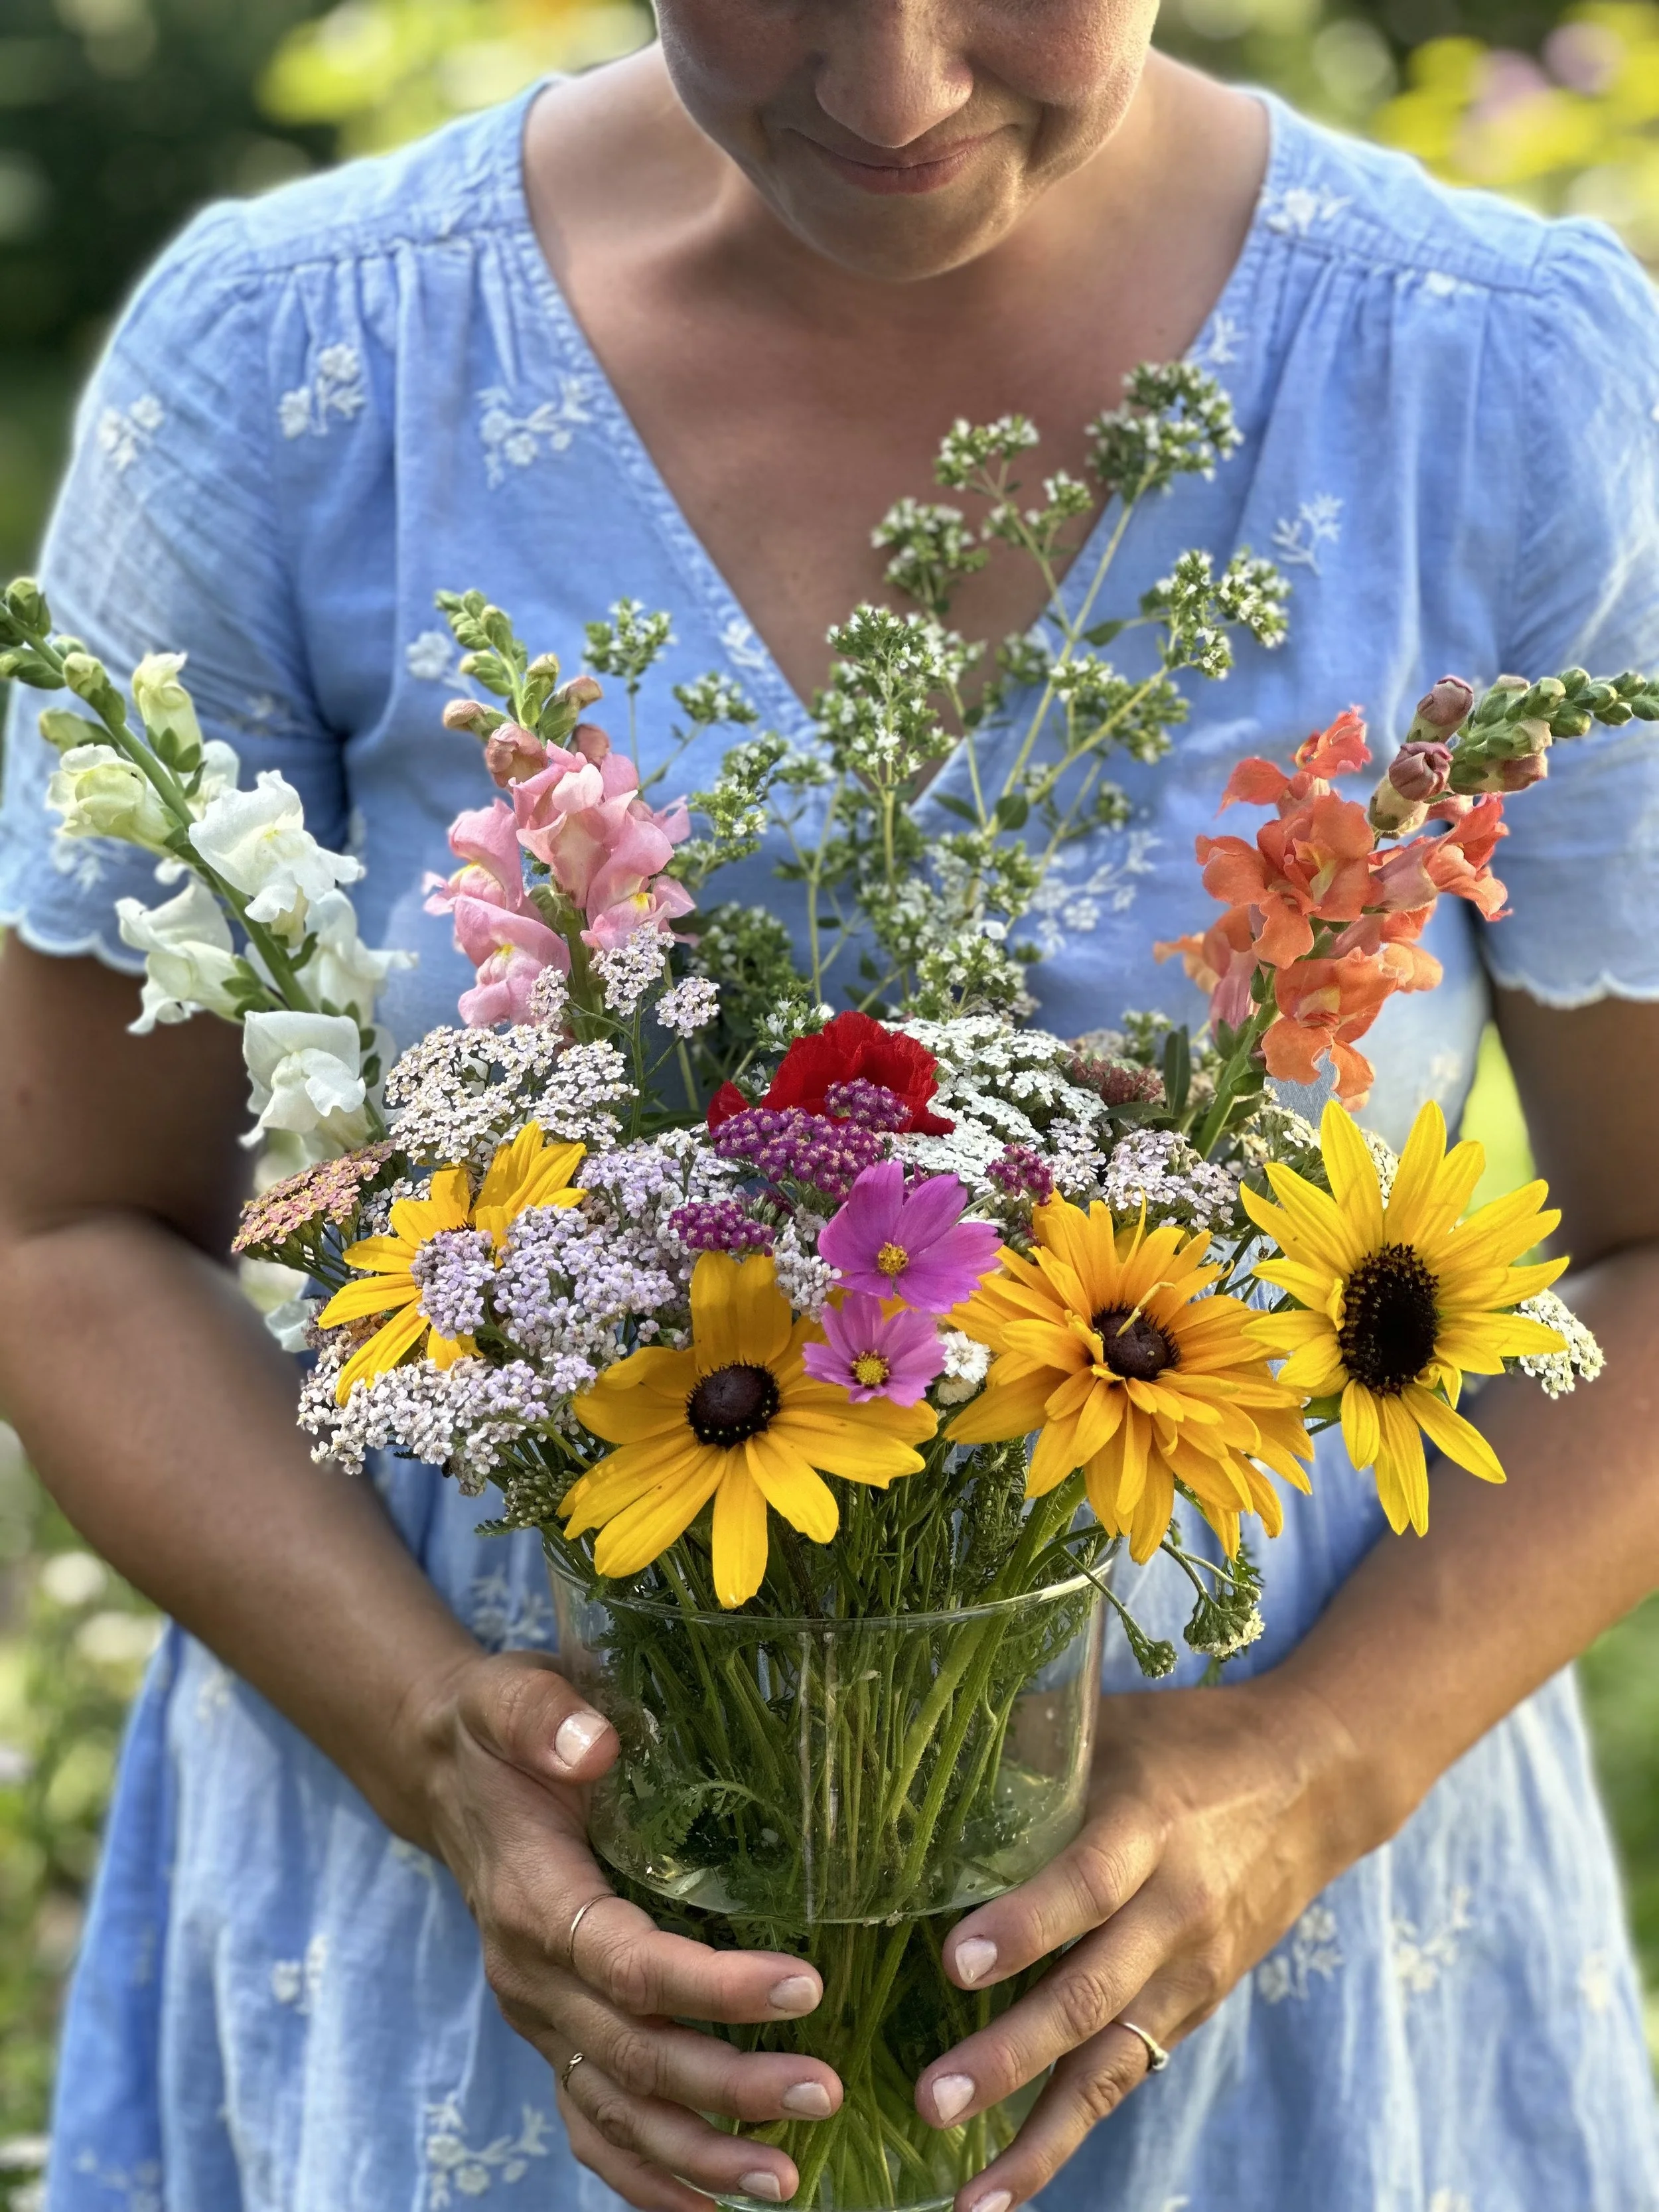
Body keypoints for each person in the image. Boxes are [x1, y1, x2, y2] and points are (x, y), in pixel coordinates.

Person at [2, 6, 1658, 2209]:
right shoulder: (295, 370)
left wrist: (1303, 1763)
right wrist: (436, 1744)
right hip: (491, 1994)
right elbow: (63, 1230)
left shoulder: (1507, 381)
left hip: (1282, 2001)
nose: (893, 92)